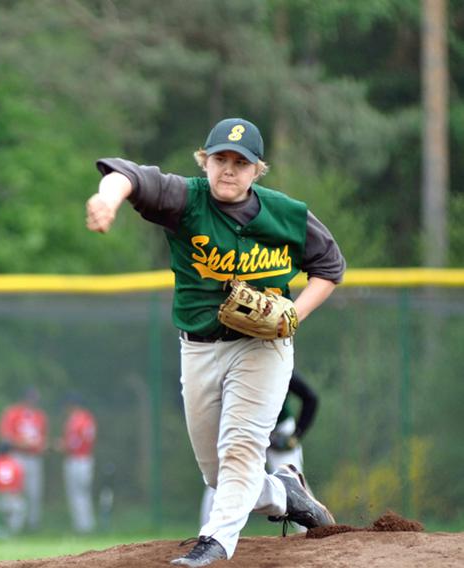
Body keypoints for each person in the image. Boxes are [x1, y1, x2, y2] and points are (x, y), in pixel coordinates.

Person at [86, 117, 344, 566]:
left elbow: (330, 266)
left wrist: (292, 316)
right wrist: (106, 200)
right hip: (200, 348)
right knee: (216, 472)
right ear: (204, 162)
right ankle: (283, 493)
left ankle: (216, 542)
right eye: (220, 158)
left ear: (257, 170)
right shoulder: (184, 198)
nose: (229, 169)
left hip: (262, 349)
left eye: (240, 162)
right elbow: (126, 173)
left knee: (241, 448)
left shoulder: (286, 213)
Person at [200, 370, 320, 531]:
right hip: (248, 431)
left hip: (279, 431)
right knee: (221, 478)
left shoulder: (278, 368)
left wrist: (296, 435)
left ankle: (315, 531)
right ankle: (208, 534)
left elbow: (311, 398)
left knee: (295, 482)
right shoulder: (235, 371)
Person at [0, 387, 48, 530]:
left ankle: (33, 525)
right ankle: (12, 525)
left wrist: (41, 445)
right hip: (17, 456)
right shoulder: (12, 413)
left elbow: (42, 437)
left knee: (34, 492)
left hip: (34, 457)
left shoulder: (39, 416)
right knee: (14, 491)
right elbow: (4, 437)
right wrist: (22, 443)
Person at [58, 394, 97, 533]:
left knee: (77, 494)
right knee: (83, 494)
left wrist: (60, 445)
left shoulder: (76, 421)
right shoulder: (88, 418)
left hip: (76, 460)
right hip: (86, 459)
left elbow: (73, 444)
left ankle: (82, 527)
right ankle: (87, 525)